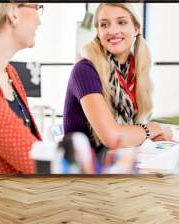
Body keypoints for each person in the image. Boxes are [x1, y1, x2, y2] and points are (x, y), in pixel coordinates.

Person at [63, 3, 172, 156]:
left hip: (117, 162)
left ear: (136, 28)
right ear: (98, 32)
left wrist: (147, 135)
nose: (112, 31)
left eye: (121, 22)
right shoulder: (85, 69)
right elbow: (112, 138)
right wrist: (154, 129)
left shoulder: (136, 69)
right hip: (84, 170)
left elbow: (129, 132)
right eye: (104, 25)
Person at [0, 3, 43, 174]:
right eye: (38, 7)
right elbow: (30, 156)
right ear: (13, 12)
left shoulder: (9, 73)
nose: (39, 21)